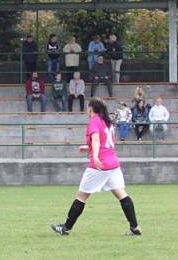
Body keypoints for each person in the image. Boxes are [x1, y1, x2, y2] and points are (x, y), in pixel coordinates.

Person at [50, 98, 141, 236]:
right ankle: (135, 227)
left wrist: (96, 157)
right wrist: (89, 148)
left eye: (87, 107)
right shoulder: (107, 122)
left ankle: (65, 228)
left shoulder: (94, 121)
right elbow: (106, 143)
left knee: (81, 196)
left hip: (100, 165)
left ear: (91, 109)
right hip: (113, 164)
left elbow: (97, 139)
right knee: (121, 194)